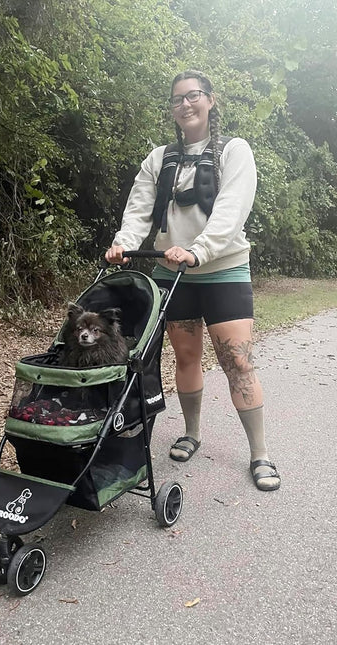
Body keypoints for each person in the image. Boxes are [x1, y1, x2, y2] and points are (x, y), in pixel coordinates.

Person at [105, 69, 280, 491]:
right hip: (171, 274)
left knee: (237, 361)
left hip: (223, 271)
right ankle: (192, 432)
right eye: (177, 99)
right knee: (185, 358)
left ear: (210, 100)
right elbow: (139, 209)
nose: (185, 104)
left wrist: (198, 250)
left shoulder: (234, 151)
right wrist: (123, 243)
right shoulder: (158, 158)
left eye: (193, 95)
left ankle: (260, 453)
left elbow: (232, 209)